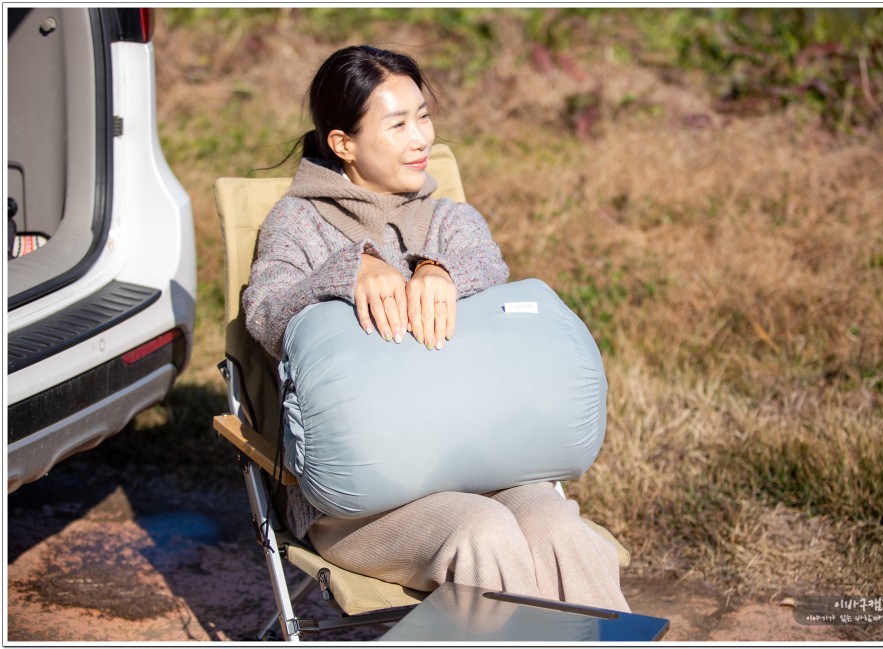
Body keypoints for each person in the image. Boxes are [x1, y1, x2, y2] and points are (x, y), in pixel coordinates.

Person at [242, 45, 630, 612]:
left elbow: (489, 273)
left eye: (423, 116)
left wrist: (435, 268)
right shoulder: (298, 223)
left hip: (482, 460)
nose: (422, 138)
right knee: (481, 531)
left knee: (559, 530)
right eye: (397, 124)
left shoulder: (450, 219)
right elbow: (265, 313)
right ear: (343, 144)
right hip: (363, 502)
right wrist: (347, 271)